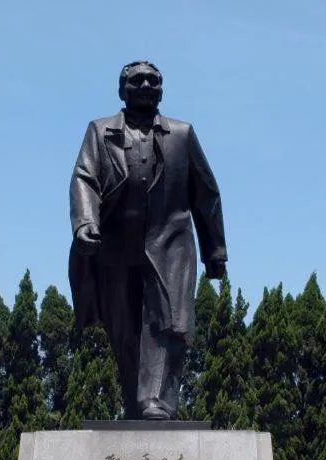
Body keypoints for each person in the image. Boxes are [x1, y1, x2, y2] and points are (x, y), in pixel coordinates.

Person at [68, 60, 228, 420]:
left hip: (170, 242)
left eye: (153, 80)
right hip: (115, 243)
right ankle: (136, 402)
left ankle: (156, 400)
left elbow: (206, 193)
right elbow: (84, 178)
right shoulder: (100, 130)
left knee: (168, 320)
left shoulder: (182, 134)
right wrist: (85, 223)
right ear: (122, 89)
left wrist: (214, 250)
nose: (145, 85)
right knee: (123, 326)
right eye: (136, 80)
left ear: (162, 89)